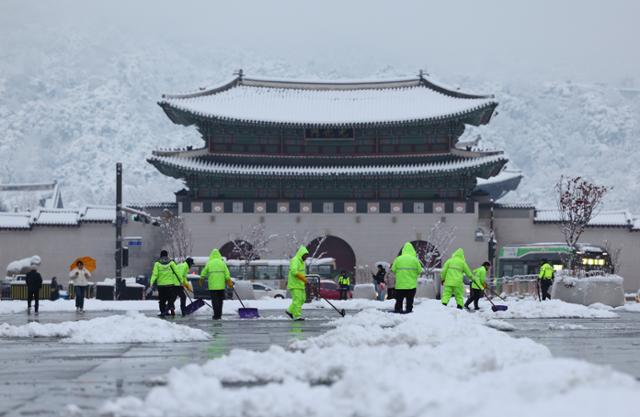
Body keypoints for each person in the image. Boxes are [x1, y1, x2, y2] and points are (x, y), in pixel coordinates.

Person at [200, 249, 232, 320]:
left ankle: (216, 315)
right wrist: (228, 280)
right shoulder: (222, 263)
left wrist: (202, 278)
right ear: (219, 255)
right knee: (220, 300)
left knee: (214, 301)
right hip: (221, 286)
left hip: (212, 286)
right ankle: (219, 314)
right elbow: (227, 273)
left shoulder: (209, 263)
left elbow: (204, 272)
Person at [391, 242, 422, 313]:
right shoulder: (415, 260)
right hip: (411, 286)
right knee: (409, 301)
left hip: (400, 285)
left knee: (399, 301)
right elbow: (420, 271)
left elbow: (393, 270)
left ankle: (398, 312)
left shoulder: (398, 259)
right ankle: (408, 312)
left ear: (403, 250)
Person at [149, 250, 180, 317]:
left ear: (160, 255)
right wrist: (181, 281)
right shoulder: (171, 263)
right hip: (170, 284)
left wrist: (151, 282)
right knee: (170, 298)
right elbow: (177, 272)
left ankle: (163, 311)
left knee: (162, 300)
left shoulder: (157, 264)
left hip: (161, 285)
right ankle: (171, 307)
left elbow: (155, 274)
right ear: (167, 255)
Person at [286, 246, 309, 321]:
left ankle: (289, 310)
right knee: (297, 300)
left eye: (307, 256)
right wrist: (304, 279)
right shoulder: (295, 260)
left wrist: (305, 281)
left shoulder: (302, 262)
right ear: (301, 254)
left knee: (302, 299)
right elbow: (294, 272)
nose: (306, 258)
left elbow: (301, 273)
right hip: (295, 284)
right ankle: (297, 316)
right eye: (305, 256)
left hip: (300, 284)